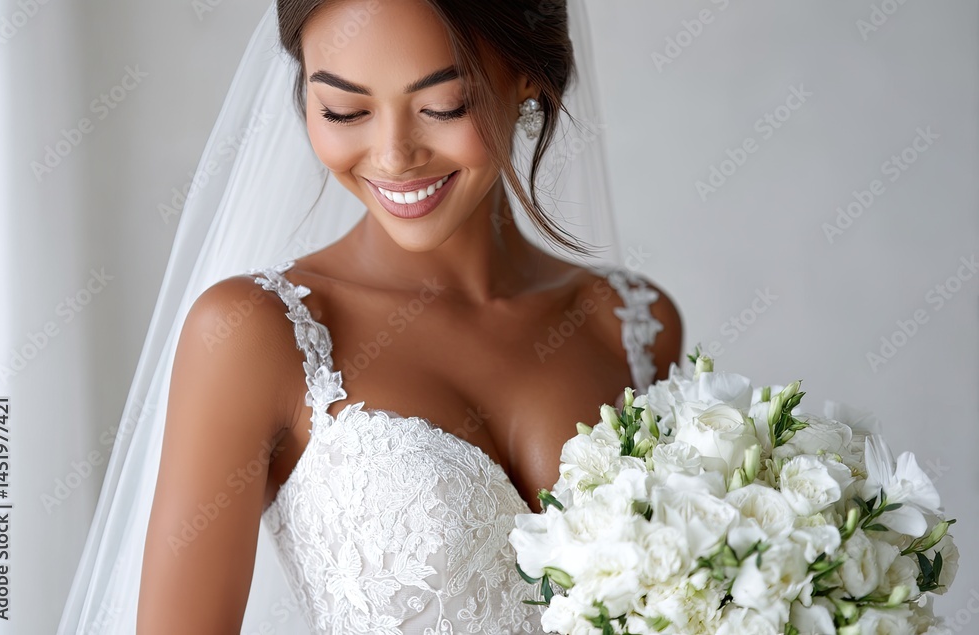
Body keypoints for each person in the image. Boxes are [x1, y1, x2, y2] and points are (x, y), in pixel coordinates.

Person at [59, 1, 681, 633]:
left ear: (527, 75)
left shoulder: (632, 323)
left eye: (443, 106)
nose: (393, 156)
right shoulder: (255, 333)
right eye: (345, 112)